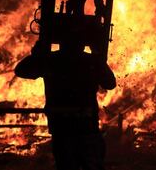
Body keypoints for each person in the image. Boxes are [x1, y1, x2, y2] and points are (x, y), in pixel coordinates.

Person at [15, 37, 116, 170]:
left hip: (62, 126)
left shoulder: (51, 60)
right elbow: (109, 83)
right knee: (91, 165)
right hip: (85, 125)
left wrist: (38, 53)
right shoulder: (91, 61)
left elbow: (21, 70)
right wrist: (98, 55)